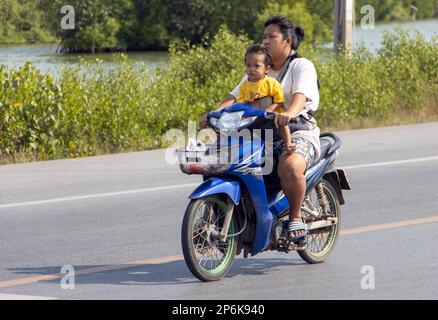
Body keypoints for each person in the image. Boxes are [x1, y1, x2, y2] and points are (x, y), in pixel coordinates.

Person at [200, 16, 321, 243]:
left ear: (287, 41)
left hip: (297, 131)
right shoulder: (257, 70)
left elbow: (300, 98)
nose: (266, 41)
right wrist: (212, 115)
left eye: (271, 37)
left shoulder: (300, 66)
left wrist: (288, 113)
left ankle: (295, 217)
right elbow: (232, 98)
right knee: (220, 163)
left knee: (290, 165)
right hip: (259, 134)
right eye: (264, 37)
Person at [236, 44, 294, 155]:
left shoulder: (271, 83)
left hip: (270, 115)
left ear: (267, 69)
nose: (251, 69)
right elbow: (241, 104)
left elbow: (279, 101)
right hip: (252, 115)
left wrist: (268, 111)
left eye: (256, 66)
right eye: (248, 65)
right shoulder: (244, 85)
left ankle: (288, 144)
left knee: (282, 122)